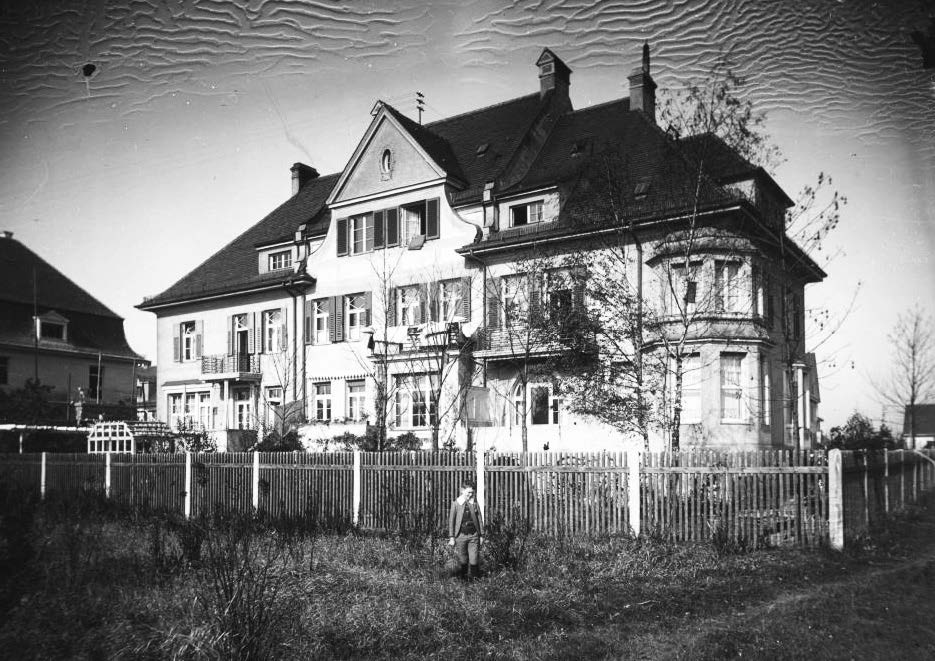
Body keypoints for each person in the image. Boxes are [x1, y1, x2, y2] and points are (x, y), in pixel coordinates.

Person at [448, 481, 484, 580]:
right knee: (463, 559)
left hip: (474, 535)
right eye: (468, 492)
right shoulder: (456, 504)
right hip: (460, 536)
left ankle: (475, 581)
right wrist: (452, 537)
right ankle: (464, 580)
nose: (470, 494)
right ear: (462, 491)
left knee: (474, 558)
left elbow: (479, 519)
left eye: (472, 493)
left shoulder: (475, 504)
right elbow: (451, 521)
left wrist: (481, 535)